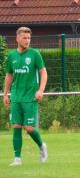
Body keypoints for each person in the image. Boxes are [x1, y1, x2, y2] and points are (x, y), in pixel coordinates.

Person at [3, 27, 48, 166]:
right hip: (16, 96)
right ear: (17, 39)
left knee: (28, 128)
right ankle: (17, 158)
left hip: (30, 96)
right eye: (24, 38)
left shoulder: (34, 54)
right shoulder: (11, 56)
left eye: (29, 38)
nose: (27, 40)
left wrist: (40, 90)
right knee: (16, 126)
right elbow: (9, 75)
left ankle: (41, 146)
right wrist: (5, 94)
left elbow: (43, 73)